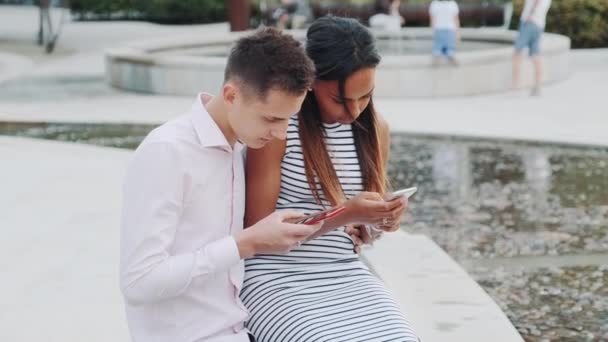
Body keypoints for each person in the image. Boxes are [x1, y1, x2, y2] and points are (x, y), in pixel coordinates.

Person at [119, 28, 318, 342]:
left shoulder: (237, 147)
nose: (280, 134)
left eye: (288, 120)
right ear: (231, 95)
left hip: (237, 328)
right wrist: (245, 243)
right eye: (271, 119)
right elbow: (139, 282)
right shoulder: (168, 151)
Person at [241, 16, 419, 342]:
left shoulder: (374, 129)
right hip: (275, 276)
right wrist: (344, 214)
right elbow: (258, 231)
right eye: (340, 100)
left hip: (342, 270)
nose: (354, 111)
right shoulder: (280, 127)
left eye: (365, 96)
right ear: (310, 81)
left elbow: (362, 234)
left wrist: (381, 220)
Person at [512, 0, 552, 96]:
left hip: (530, 23)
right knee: (535, 55)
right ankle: (537, 86)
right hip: (539, 24)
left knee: (517, 53)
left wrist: (530, 14)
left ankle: (515, 86)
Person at [429, 0, 460, 66]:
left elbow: (455, 19)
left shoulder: (452, 3)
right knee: (439, 50)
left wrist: (457, 32)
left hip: (448, 29)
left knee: (448, 50)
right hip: (440, 29)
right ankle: (438, 60)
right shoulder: (434, 3)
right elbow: (432, 19)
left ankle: (448, 58)